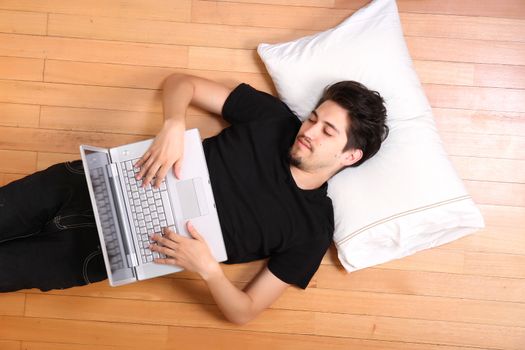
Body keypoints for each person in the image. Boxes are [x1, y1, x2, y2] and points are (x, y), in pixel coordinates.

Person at [0, 73, 388, 324]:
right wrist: (173, 124)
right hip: (92, 183)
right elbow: (181, 83)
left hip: (104, 251)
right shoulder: (273, 120)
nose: (309, 131)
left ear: (350, 155)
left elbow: (245, 311)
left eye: (328, 131)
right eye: (313, 118)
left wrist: (208, 269)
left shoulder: (312, 229)